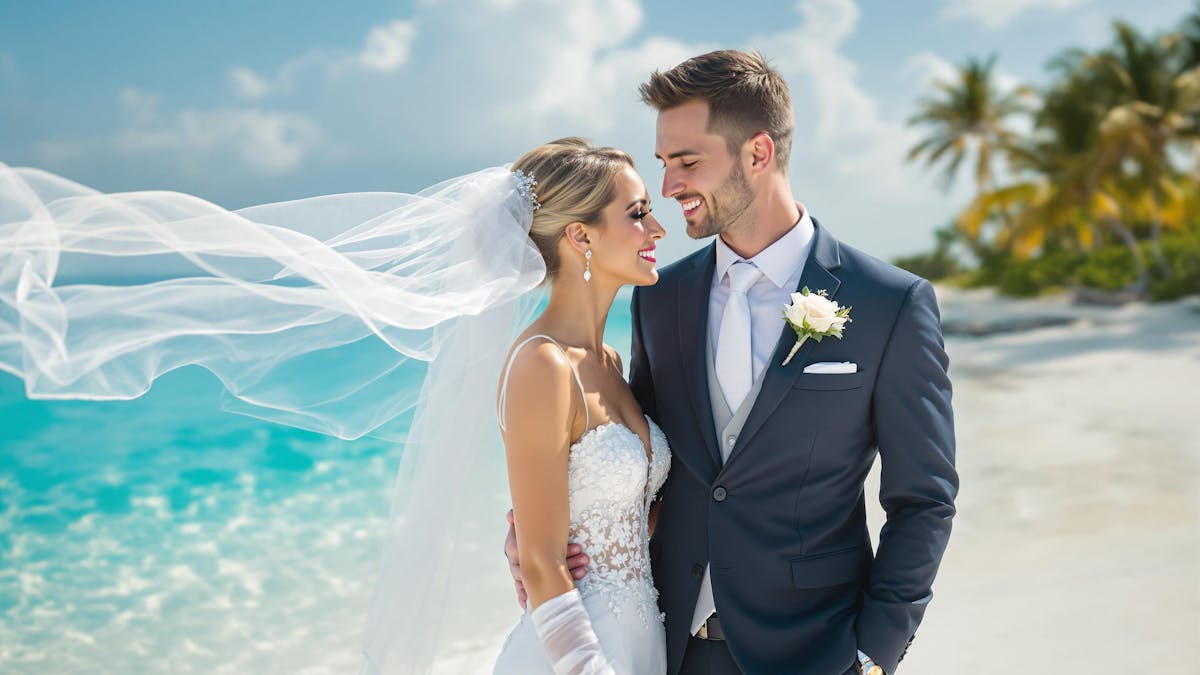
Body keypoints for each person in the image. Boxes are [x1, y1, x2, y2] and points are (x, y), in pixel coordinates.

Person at [505, 50, 959, 675]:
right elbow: (644, 461)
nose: (669, 188)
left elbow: (924, 500)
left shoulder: (889, 304)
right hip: (669, 651)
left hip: (817, 653)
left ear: (759, 153)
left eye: (687, 162)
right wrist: (543, 538)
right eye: (664, 164)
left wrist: (872, 656)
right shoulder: (660, 299)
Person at [490, 139, 670, 673]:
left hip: (643, 641)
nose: (657, 230)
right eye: (638, 215)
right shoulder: (542, 366)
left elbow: (629, 518)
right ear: (580, 235)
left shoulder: (610, 361)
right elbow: (543, 564)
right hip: (574, 654)